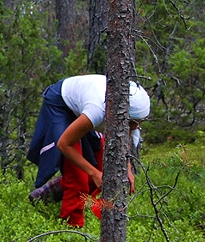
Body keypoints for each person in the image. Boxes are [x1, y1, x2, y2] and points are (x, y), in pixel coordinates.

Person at [27, 74, 150, 227]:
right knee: (79, 180)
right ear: (122, 116)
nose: (135, 127)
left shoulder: (135, 111)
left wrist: (128, 167)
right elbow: (64, 144)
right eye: (133, 124)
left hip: (87, 107)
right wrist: (93, 173)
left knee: (102, 173)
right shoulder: (98, 110)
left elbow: (128, 139)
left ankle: (48, 194)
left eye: (139, 123)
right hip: (61, 105)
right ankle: (72, 229)